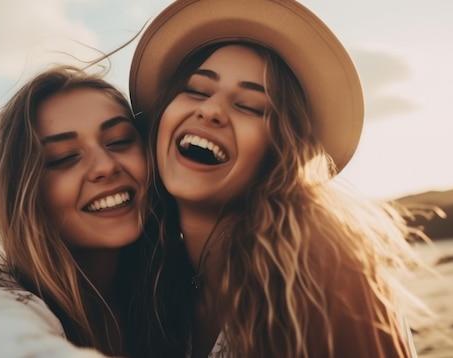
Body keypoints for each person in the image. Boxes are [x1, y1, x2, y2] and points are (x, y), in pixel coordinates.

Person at [130, 0, 424, 357]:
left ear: (281, 152)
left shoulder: (318, 267)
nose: (210, 110)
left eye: (251, 106)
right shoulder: (149, 286)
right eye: (196, 90)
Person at [0, 65, 155, 357]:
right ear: (24, 192)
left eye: (120, 140)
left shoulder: (171, 285)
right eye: (64, 158)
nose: (106, 166)